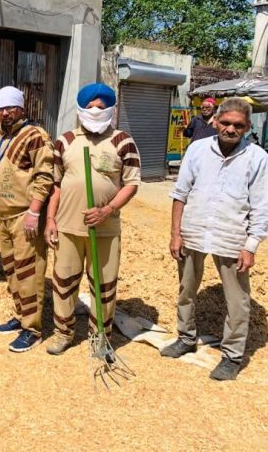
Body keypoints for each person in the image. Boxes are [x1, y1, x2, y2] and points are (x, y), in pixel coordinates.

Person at [164, 97, 268, 381]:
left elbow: (261, 207)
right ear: (216, 122)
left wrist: (250, 247)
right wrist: (176, 234)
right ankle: (185, 338)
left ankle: (232, 356)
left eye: (238, 125)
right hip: (193, 232)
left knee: (238, 300)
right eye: (226, 123)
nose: (231, 129)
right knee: (186, 290)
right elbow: (180, 193)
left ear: (247, 127)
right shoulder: (198, 149)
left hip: (232, 236)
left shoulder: (258, 158)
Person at [44, 83, 141, 356]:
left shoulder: (123, 142)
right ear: (80, 109)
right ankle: (63, 333)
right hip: (67, 227)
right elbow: (56, 185)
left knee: (103, 285)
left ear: (111, 109)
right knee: (63, 283)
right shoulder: (65, 140)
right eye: (90, 107)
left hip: (105, 229)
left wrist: (107, 210)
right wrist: (50, 219)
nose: (95, 111)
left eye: (101, 107)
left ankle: (101, 337)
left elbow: (131, 185)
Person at [0, 86, 54, 352]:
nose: (5, 113)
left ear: (21, 109)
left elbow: (44, 176)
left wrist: (35, 211)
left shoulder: (35, 135)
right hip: (5, 215)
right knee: (12, 271)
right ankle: (20, 315)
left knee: (29, 271)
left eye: (10, 108)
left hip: (24, 216)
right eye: (1, 109)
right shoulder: (4, 137)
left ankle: (33, 328)